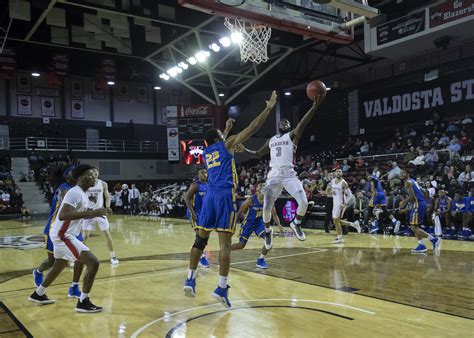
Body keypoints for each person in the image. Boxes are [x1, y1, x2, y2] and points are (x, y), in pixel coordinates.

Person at [183, 91, 278, 309]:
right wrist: (268, 108)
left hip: (209, 199)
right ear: (219, 139)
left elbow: (218, 142)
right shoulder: (227, 144)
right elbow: (252, 127)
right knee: (224, 244)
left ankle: (190, 278)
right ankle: (221, 287)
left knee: (200, 240)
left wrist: (224, 129)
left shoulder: (207, 153)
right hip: (225, 196)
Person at [28, 164, 112, 313]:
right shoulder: (75, 193)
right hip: (64, 235)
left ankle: (38, 294)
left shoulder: (81, 193)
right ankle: (83, 302)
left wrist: (97, 211)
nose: (94, 177)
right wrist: (92, 213)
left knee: (59, 265)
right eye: (90, 175)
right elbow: (63, 215)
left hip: (62, 233)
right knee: (93, 263)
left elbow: (78, 210)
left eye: (95, 175)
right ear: (80, 178)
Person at [243, 92, 326, 242]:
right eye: (281, 122)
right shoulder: (271, 139)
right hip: (273, 176)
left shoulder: (293, 135)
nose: (283, 123)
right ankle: (267, 231)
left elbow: (303, 123)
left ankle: (296, 223)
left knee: (304, 202)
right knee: (267, 208)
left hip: (289, 175)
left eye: (286, 122)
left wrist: (314, 106)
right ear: (278, 126)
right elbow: (257, 154)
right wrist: (245, 150)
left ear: (289, 127)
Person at [33, 165, 86, 300]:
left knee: (81, 258)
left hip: (72, 230)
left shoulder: (79, 190)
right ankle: (38, 272)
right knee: (52, 262)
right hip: (55, 229)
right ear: (69, 177)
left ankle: (74, 287)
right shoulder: (64, 188)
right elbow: (64, 204)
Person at [231, 181, 282, 269]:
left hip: (260, 223)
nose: (263, 187)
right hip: (248, 223)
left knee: (268, 241)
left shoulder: (269, 200)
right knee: (241, 245)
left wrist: (280, 226)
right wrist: (234, 224)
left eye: (264, 185)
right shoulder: (251, 199)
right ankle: (226, 249)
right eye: (260, 186)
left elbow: (274, 214)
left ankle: (260, 260)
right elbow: (240, 211)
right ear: (257, 189)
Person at [82, 168, 119, 265]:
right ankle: (77, 258)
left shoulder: (103, 183)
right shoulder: (85, 184)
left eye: (97, 172)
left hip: (100, 212)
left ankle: (113, 256)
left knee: (107, 233)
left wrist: (108, 207)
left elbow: (107, 197)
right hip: (88, 213)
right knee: (85, 236)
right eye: (93, 172)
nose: (96, 173)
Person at [399, 170, 441, 253]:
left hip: (418, 205)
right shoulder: (413, 181)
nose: (401, 174)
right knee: (415, 226)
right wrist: (424, 202)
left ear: (408, 174)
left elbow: (411, 197)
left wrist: (403, 202)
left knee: (413, 227)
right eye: (400, 173)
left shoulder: (407, 182)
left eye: (403, 173)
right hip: (420, 204)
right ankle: (421, 245)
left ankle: (433, 239)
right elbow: (425, 192)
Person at [325, 169, 361, 244]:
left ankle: (340, 238)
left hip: (340, 203)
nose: (338, 173)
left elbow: (350, 195)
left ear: (342, 173)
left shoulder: (344, 183)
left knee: (336, 221)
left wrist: (345, 204)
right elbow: (328, 191)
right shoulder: (332, 181)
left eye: (339, 171)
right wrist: (329, 190)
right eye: (337, 172)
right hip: (334, 203)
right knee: (336, 221)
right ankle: (354, 224)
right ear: (335, 173)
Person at [184, 168, 209, 268]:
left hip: (204, 213)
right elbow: (186, 198)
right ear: (198, 174)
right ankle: (201, 257)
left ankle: (199, 255)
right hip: (195, 212)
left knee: (203, 236)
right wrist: (192, 212)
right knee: (200, 235)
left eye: (206, 173)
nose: (204, 175)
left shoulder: (209, 185)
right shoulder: (195, 185)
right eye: (202, 173)